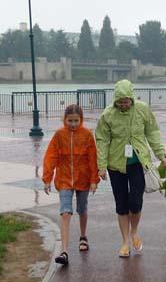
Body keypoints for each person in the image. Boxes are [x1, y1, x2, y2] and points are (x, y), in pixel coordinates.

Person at [95, 79, 166, 258]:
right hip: (116, 165)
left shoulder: (142, 109)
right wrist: (101, 166)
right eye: (120, 101)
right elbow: (102, 141)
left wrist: (162, 156)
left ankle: (134, 231)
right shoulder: (108, 114)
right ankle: (125, 242)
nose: (123, 105)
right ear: (115, 100)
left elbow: (153, 133)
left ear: (132, 98)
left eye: (126, 101)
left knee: (135, 202)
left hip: (138, 163)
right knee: (121, 204)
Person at [43, 104, 100, 265]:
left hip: (83, 179)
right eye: (70, 120)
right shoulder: (59, 135)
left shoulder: (87, 135)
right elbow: (51, 156)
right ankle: (64, 251)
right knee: (65, 213)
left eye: (76, 121)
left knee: (82, 209)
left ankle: (83, 236)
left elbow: (92, 157)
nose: (73, 124)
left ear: (81, 120)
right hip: (64, 179)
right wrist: (47, 178)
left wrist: (94, 179)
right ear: (64, 119)